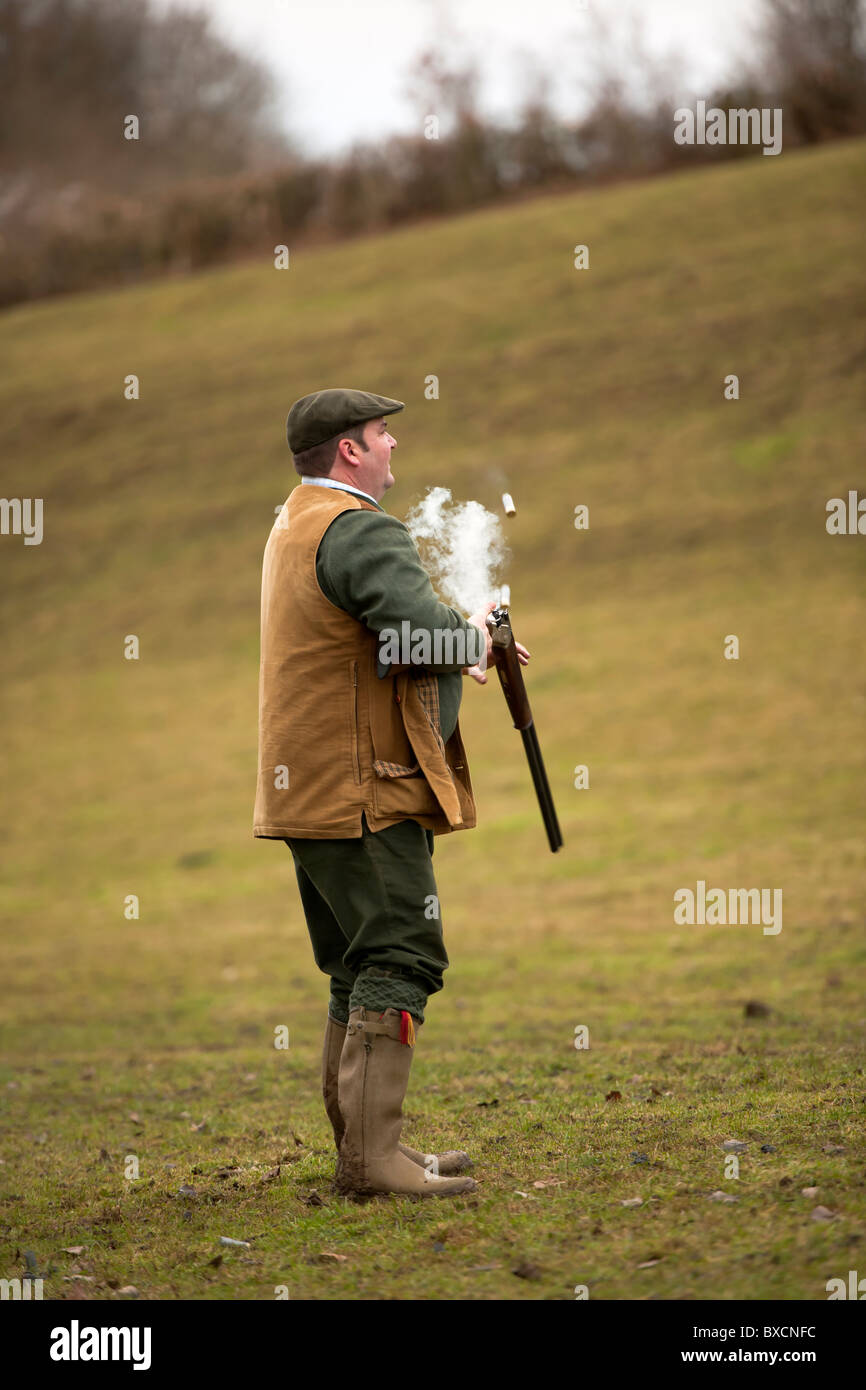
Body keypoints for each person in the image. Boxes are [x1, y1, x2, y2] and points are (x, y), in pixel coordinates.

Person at [253, 388, 529, 1198]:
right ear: (349, 450)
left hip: (311, 790)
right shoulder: (359, 527)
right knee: (403, 951)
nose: (392, 448)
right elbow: (418, 634)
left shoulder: (295, 522)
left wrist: (459, 637)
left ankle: (364, 1155)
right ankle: (375, 1163)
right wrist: (476, 635)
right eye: (382, 434)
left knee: (356, 962)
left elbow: (391, 634)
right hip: (359, 790)